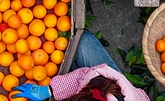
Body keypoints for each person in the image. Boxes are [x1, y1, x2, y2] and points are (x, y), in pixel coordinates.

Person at [10, 32, 147, 101]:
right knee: (82, 41)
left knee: (68, 61)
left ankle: (72, 68)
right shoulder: (103, 83)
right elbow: (82, 77)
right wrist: (49, 91)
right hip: (106, 83)